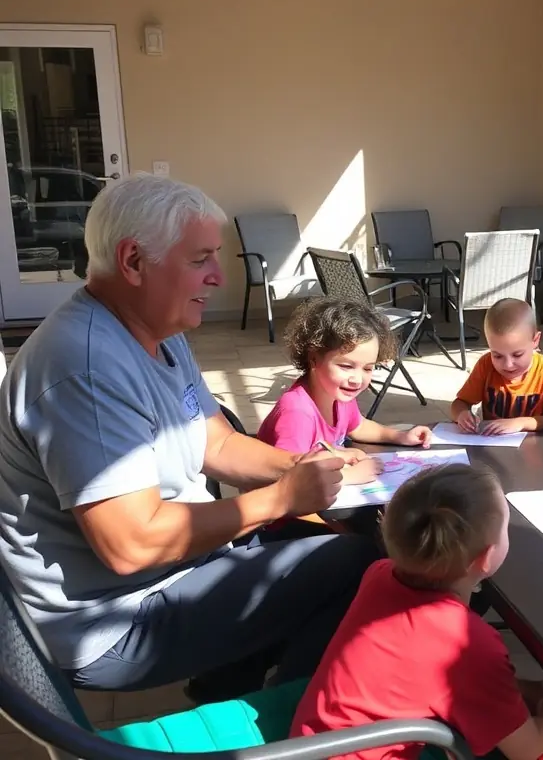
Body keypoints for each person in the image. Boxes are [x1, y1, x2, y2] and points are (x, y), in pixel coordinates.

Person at [0, 173, 379, 701]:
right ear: (134, 261)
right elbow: (132, 545)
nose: (218, 277)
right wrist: (280, 499)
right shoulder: (85, 367)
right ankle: (297, 721)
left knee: (336, 542)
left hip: (175, 570)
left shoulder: (157, 331)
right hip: (115, 621)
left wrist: (306, 467)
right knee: (360, 568)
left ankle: (230, 684)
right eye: (200, 260)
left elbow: (216, 444)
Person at [291, 464, 543, 760]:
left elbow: (426, 669)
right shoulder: (468, 643)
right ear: (486, 558)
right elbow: (525, 749)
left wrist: (517, 689)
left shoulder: (379, 574)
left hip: (314, 743)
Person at [256, 297, 432, 537]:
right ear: (314, 358)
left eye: (368, 368)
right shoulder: (297, 412)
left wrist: (400, 436)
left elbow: (358, 426)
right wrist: (348, 476)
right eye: (346, 366)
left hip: (328, 508)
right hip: (285, 525)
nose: (357, 379)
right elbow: (289, 474)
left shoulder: (338, 395)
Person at [450, 298, 543, 435]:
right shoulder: (485, 365)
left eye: (517, 355)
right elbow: (460, 403)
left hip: (534, 441)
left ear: (535, 341)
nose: (508, 365)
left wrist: (520, 423)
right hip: (492, 442)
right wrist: (462, 415)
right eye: (497, 356)